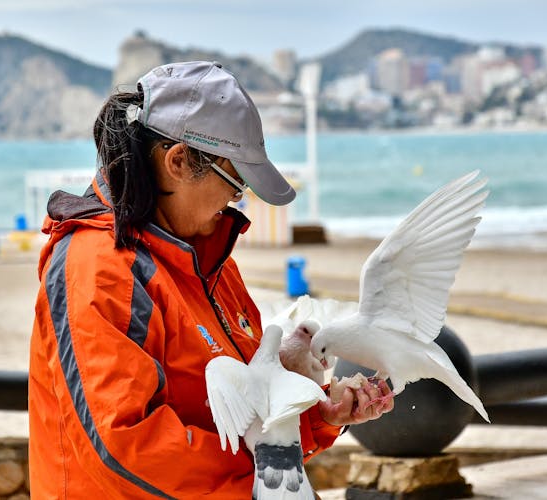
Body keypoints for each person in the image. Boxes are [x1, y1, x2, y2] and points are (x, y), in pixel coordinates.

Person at [28, 61, 393, 498]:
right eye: (234, 182)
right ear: (178, 161)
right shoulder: (98, 267)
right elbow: (125, 445)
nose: (237, 201)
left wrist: (318, 414)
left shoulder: (206, 258)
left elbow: (247, 410)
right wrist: (271, 464)